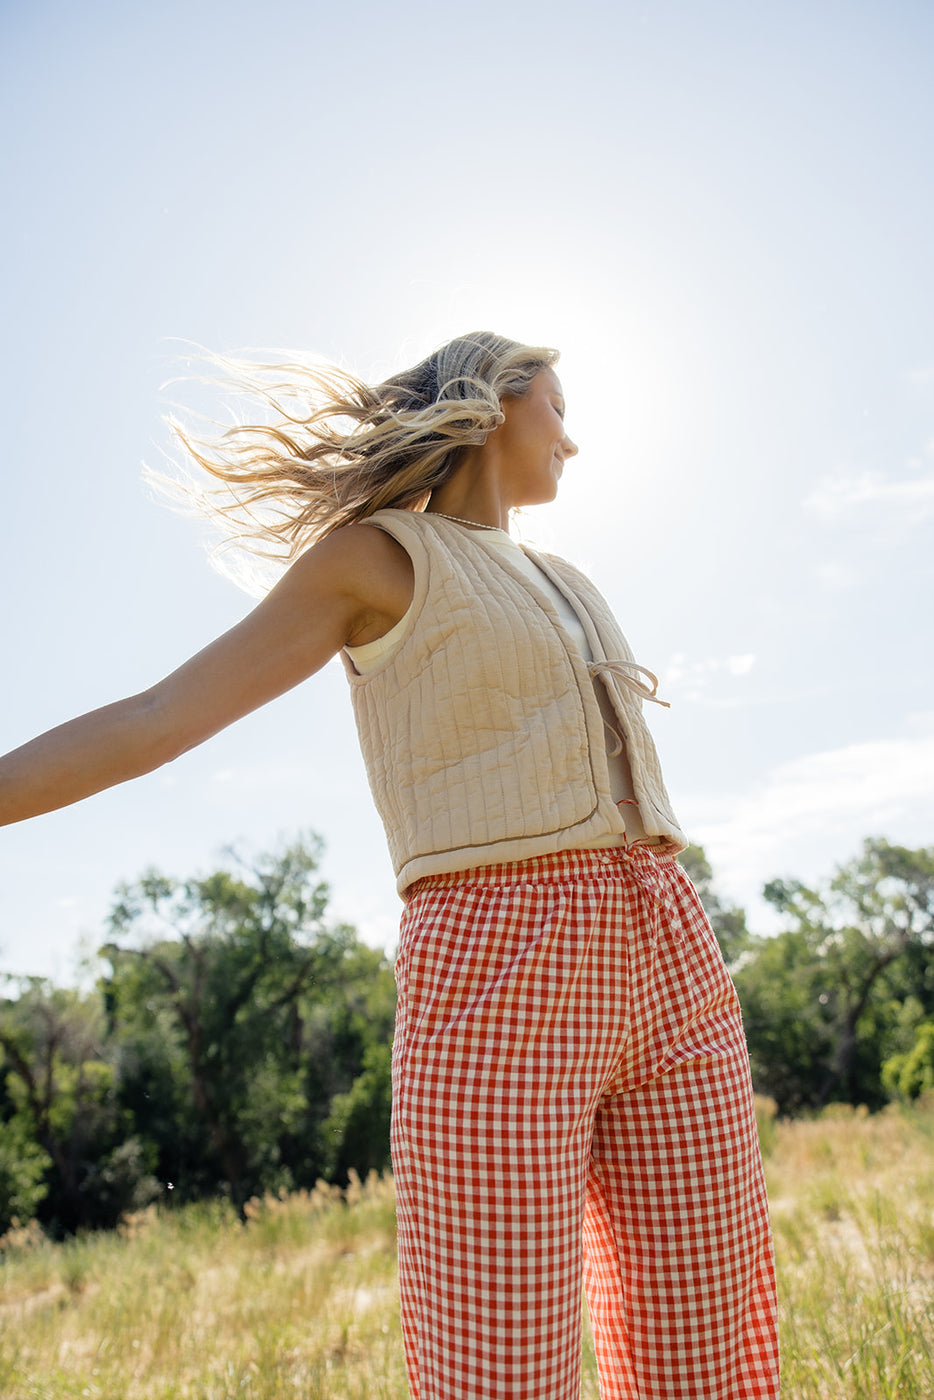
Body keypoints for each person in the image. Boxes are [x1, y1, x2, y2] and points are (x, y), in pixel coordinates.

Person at [0, 332, 779, 1399]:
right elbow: (160, 716)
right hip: (501, 966)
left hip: (672, 950)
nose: (575, 438)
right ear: (495, 401)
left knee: (709, 1346)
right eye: (557, 405)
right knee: (498, 1368)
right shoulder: (374, 557)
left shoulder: (569, 575)